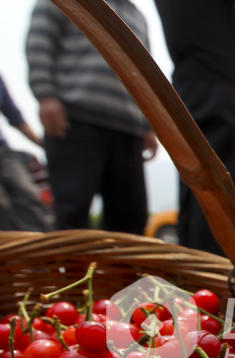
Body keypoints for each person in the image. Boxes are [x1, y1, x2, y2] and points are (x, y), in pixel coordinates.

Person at [153, 0, 235, 255]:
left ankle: (196, 277)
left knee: (194, 178)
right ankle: (219, 274)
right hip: (225, 76)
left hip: (186, 84)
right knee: (223, 183)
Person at [26, 0, 156, 234]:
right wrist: (46, 95)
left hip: (129, 127)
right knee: (72, 210)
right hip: (75, 120)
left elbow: (145, 72)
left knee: (131, 216)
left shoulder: (136, 15)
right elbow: (40, 41)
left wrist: (148, 123)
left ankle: (121, 271)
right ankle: (71, 270)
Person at [0, 73, 51, 232]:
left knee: (28, 195)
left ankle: (41, 248)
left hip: (3, 151)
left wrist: (45, 145)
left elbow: (15, 116)